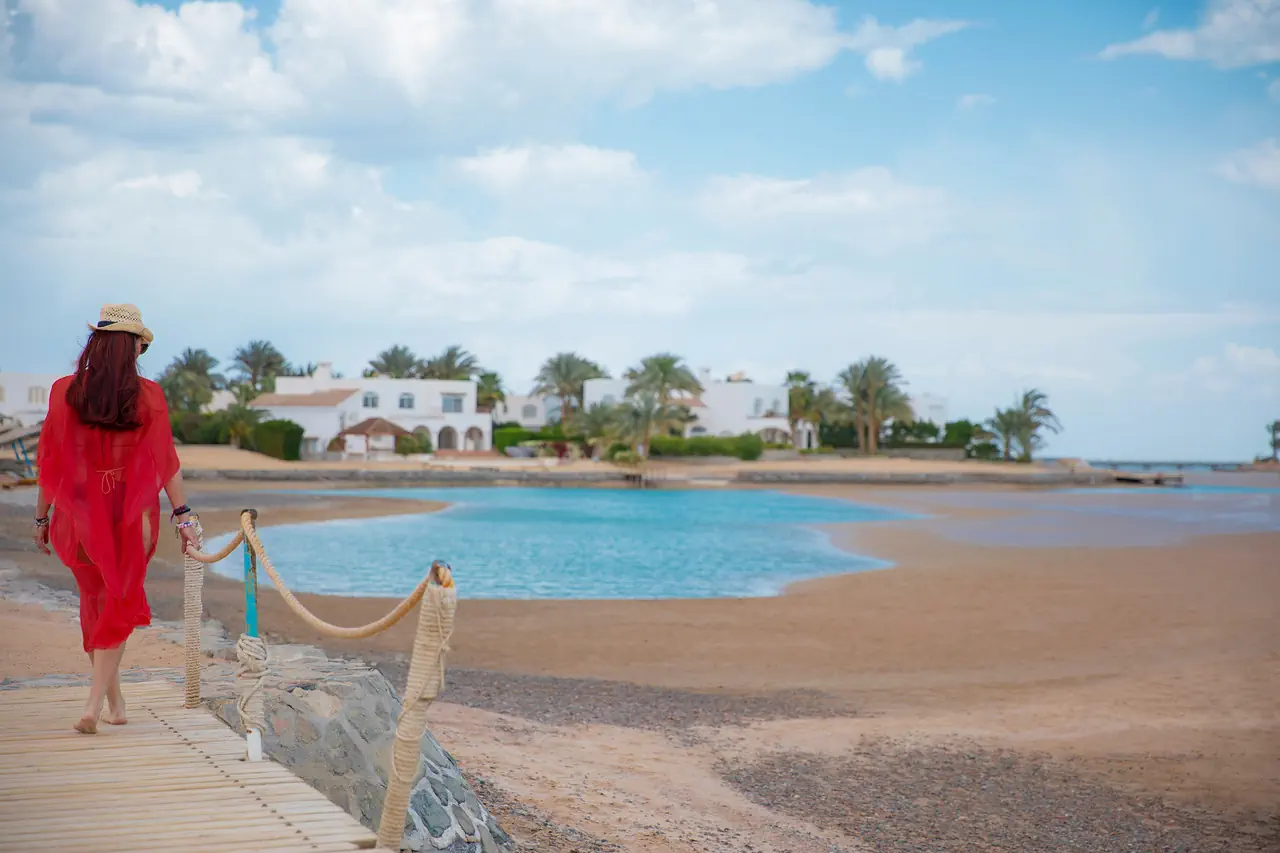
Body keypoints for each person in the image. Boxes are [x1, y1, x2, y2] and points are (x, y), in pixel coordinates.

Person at [31, 304, 200, 734]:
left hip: (78, 516)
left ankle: (114, 702)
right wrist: (183, 517)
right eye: (141, 344)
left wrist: (41, 518)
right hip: (130, 516)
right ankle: (95, 705)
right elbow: (167, 463)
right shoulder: (149, 396)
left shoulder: (65, 391)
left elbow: (50, 461)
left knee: (94, 603)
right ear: (132, 348)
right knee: (117, 604)